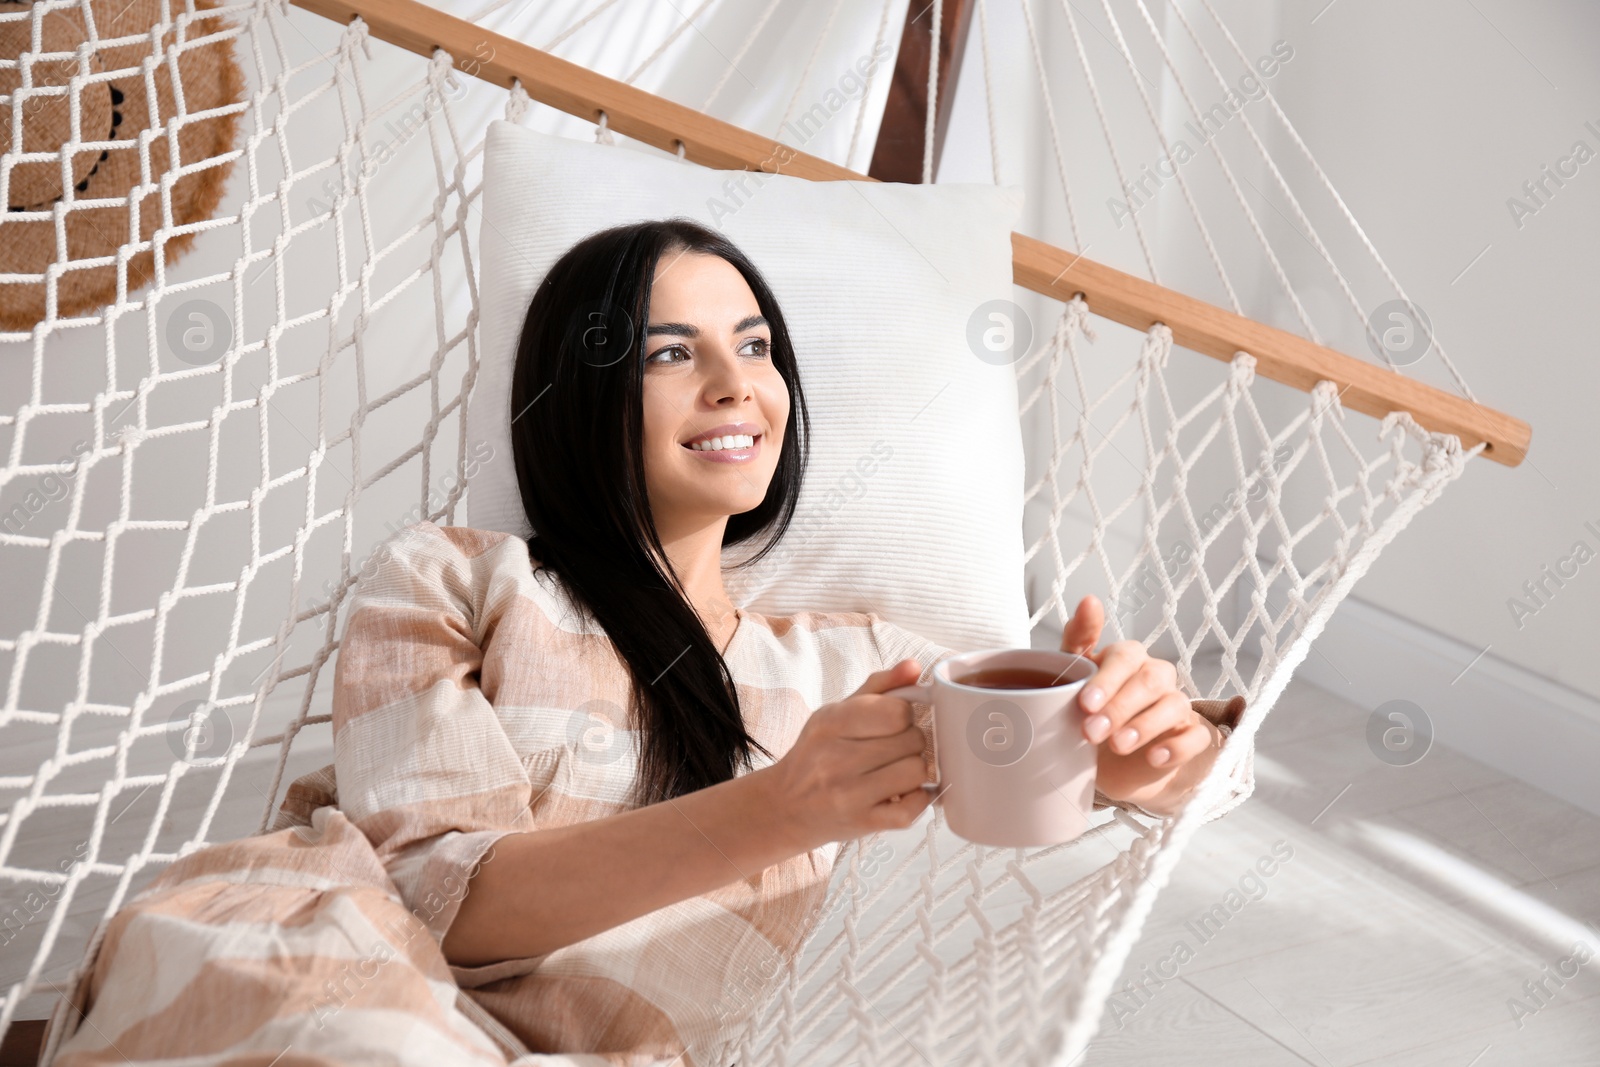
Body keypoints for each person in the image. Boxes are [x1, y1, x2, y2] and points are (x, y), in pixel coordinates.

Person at [329, 218, 1243, 1065]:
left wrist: (1159, 746)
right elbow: (425, 902)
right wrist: (782, 807)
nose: (735, 382)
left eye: (756, 346)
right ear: (578, 393)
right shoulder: (457, 580)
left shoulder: (856, 672)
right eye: (672, 353)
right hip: (358, 1008)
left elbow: (1138, 769)